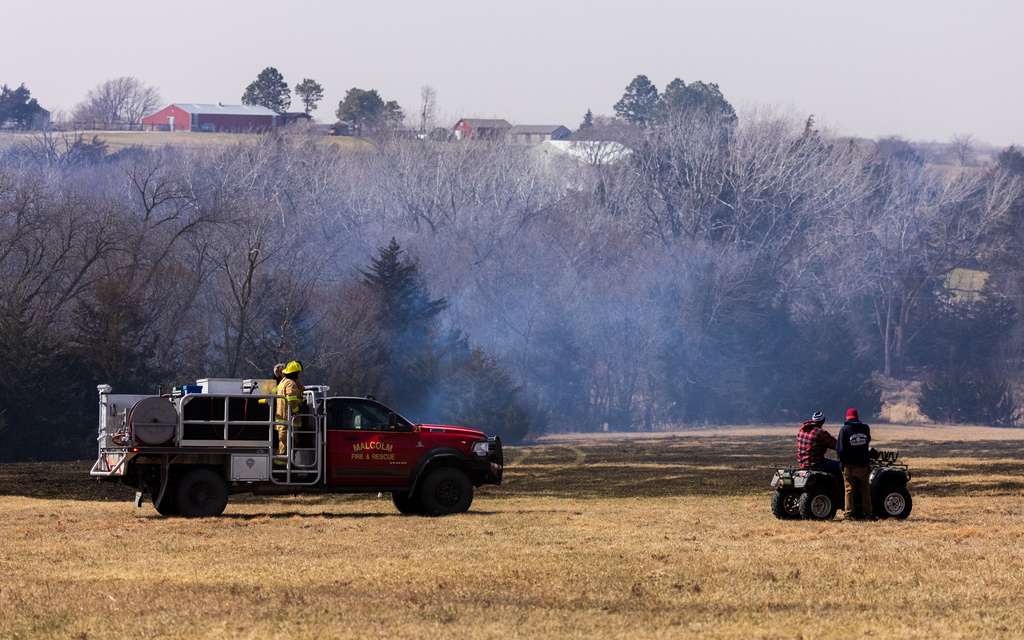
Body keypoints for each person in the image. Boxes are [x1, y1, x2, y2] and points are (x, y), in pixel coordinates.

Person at [836, 407, 873, 520]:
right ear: (857, 417)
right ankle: (868, 514)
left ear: (847, 417)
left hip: (849, 466)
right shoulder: (865, 428)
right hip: (863, 465)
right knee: (865, 490)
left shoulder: (844, 429)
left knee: (849, 490)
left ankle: (848, 515)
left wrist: (841, 462)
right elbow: (868, 441)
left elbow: (840, 449)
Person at [274, 360, 305, 465]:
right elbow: (291, 400)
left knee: (285, 446)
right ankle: (281, 469)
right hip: (289, 422)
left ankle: (285, 467)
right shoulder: (291, 384)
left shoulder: (283, 382)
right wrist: (296, 411)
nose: (299, 375)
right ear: (294, 374)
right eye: (298, 373)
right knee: (287, 447)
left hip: (284, 421)